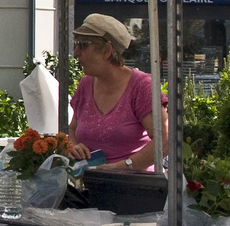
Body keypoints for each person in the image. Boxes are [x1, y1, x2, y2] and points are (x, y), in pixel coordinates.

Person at [67, 14, 169, 172]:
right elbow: (72, 129)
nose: (76, 53)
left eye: (82, 45)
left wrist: (121, 166)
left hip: (133, 186)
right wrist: (73, 146)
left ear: (106, 50)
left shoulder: (142, 86)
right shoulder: (86, 83)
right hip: (91, 184)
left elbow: (164, 140)